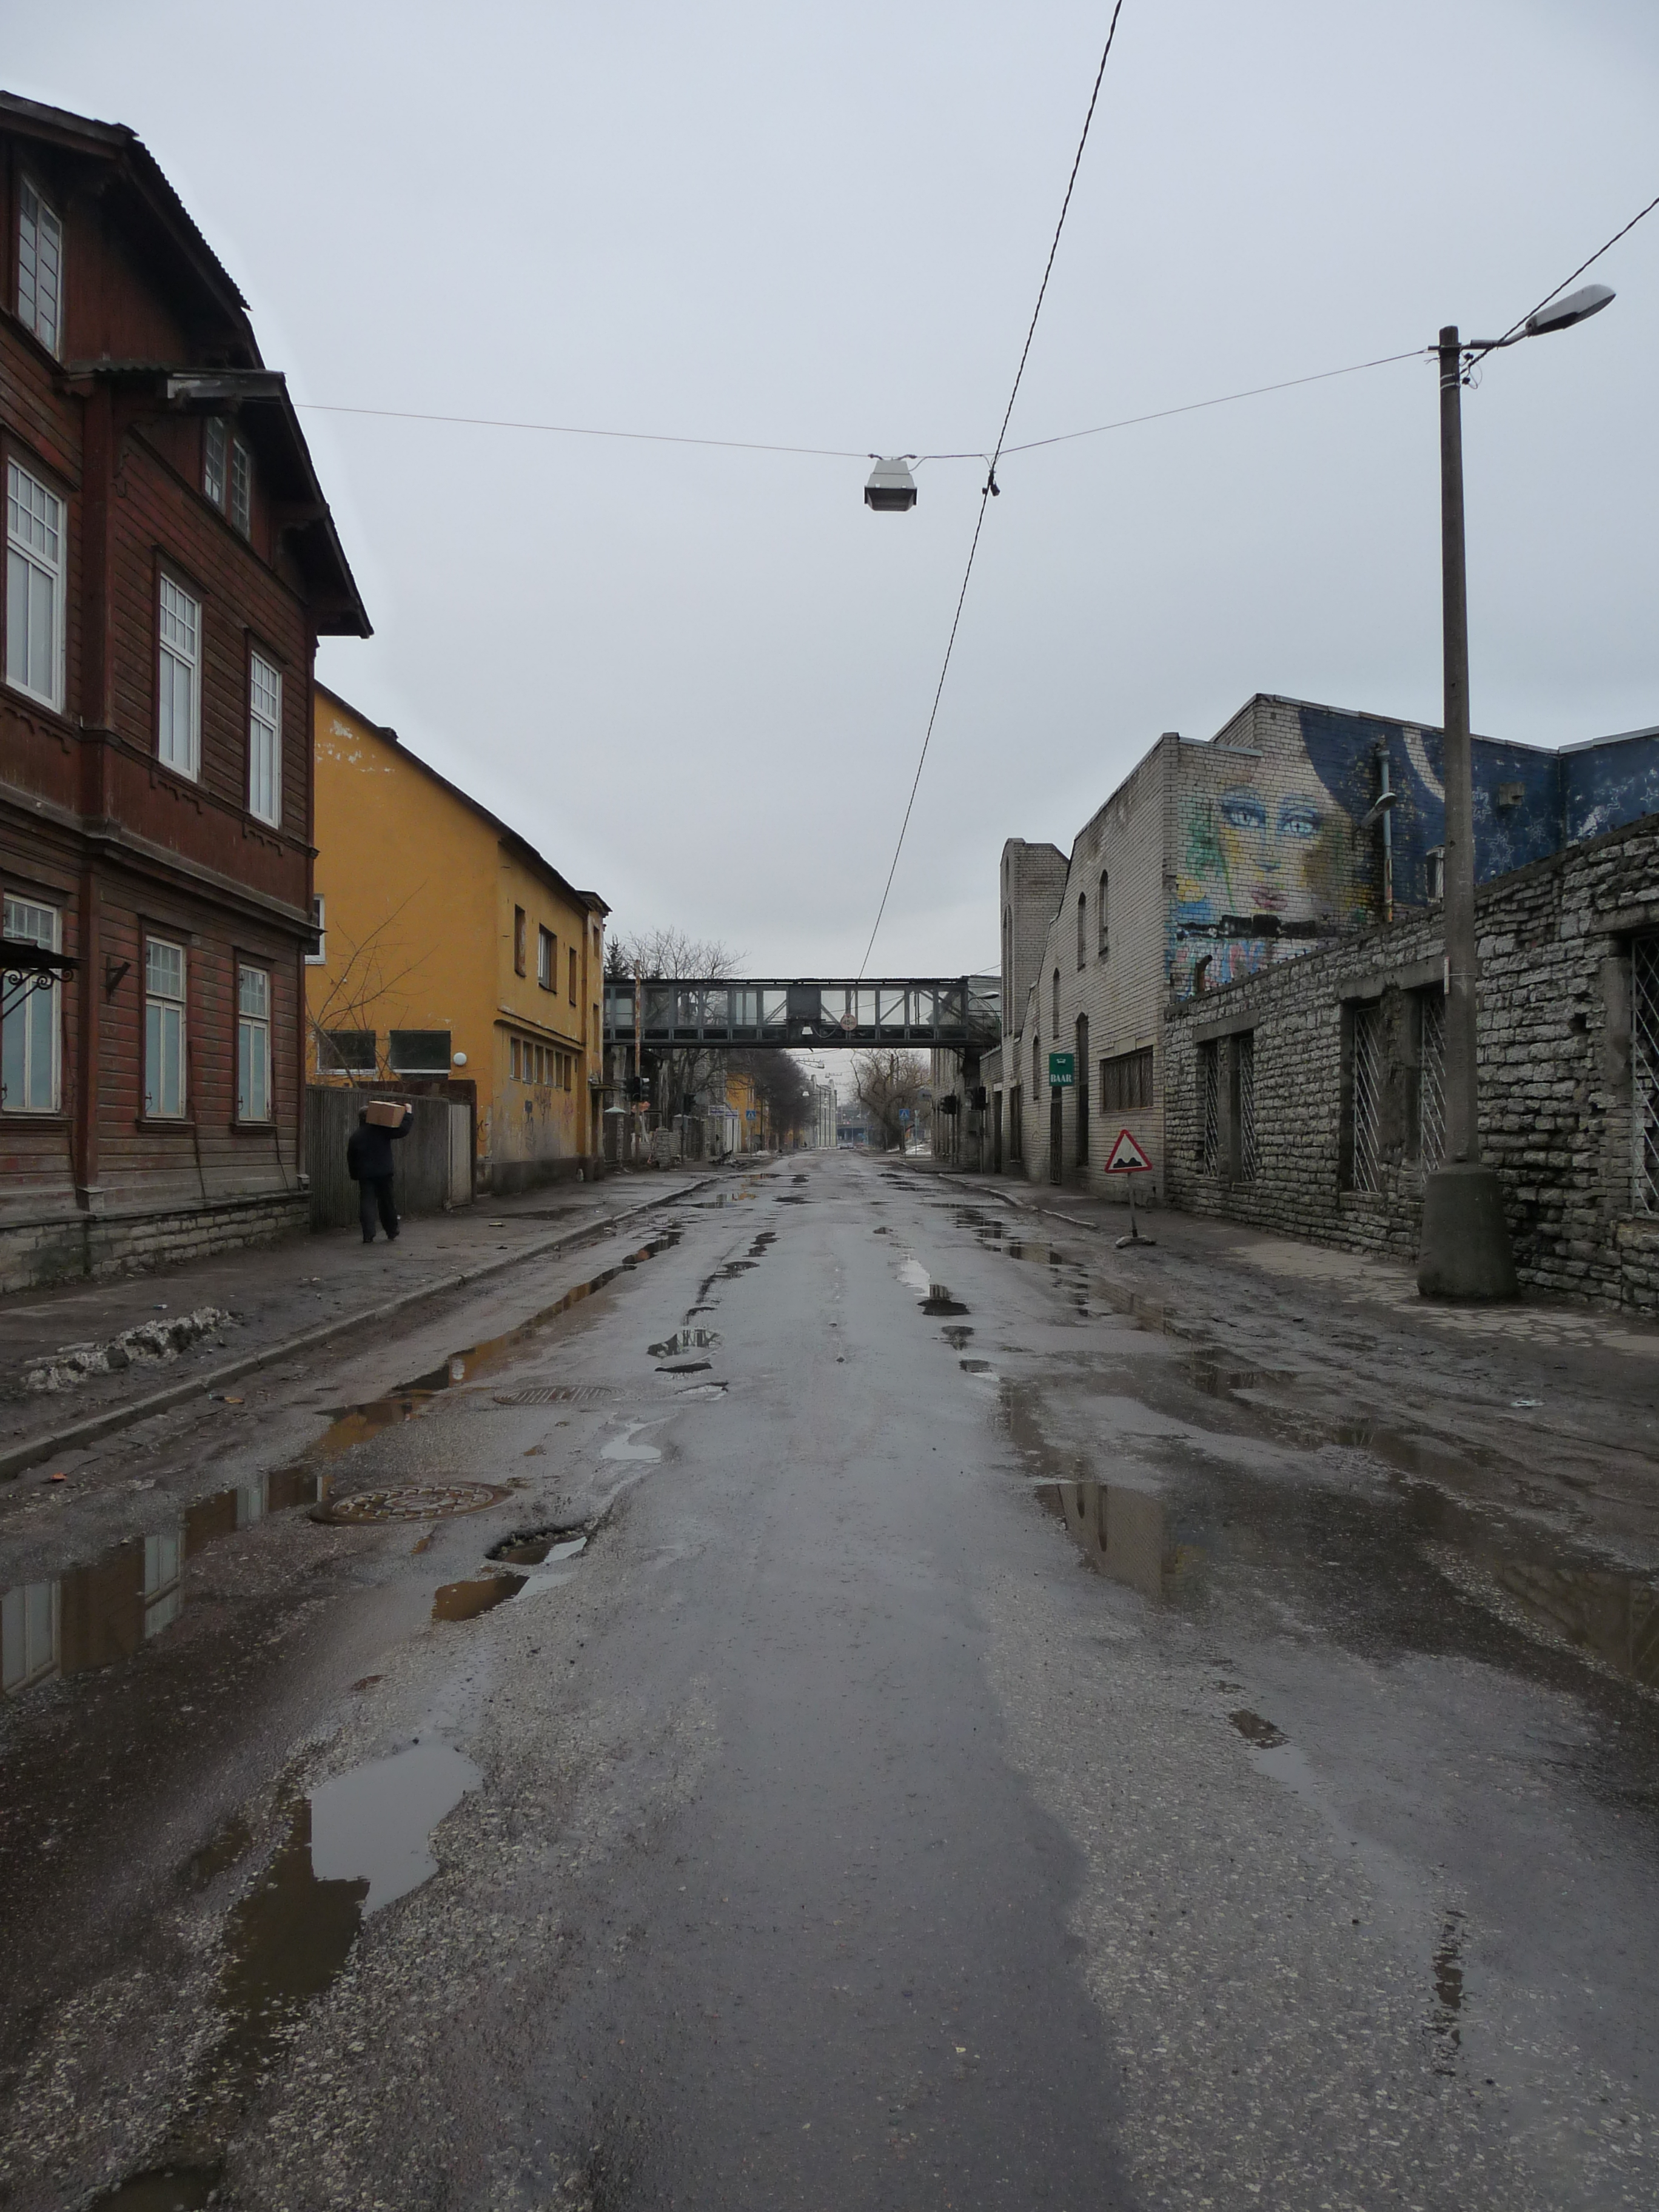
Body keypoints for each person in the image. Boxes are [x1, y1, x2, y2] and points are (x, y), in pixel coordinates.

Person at [346, 1102, 413, 1243]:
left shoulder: (356, 1136)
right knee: (387, 1202)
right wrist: (408, 1114)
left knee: (367, 1202)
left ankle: (368, 1234)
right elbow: (402, 1131)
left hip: (365, 1174)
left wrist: (354, 1175)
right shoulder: (381, 1130)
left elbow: (351, 1158)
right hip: (384, 1172)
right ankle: (391, 1231)